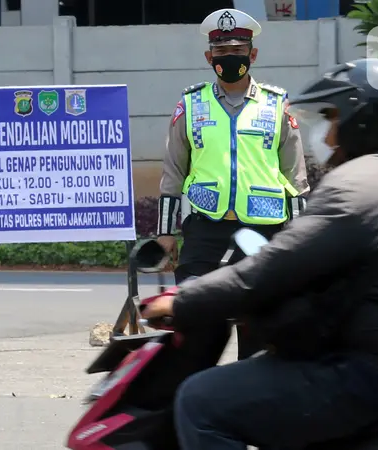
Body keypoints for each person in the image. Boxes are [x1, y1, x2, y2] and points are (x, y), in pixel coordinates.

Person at [142, 58, 378, 449]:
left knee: (200, 400)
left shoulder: (357, 186)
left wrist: (182, 299)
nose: (324, 135)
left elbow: (270, 269)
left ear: (362, 119)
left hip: (367, 370)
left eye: (332, 116)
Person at [155, 8, 310, 368]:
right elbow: (173, 170)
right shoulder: (191, 106)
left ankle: (251, 400)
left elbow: (296, 176)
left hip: (264, 228)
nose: (229, 59)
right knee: (191, 315)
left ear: (252, 55)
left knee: (256, 322)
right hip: (205, 227)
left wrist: (301, 235)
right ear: (209, 58)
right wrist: (165, 233)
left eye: (238, 51)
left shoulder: (276, 106)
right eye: (221, 53)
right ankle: (190, 392)